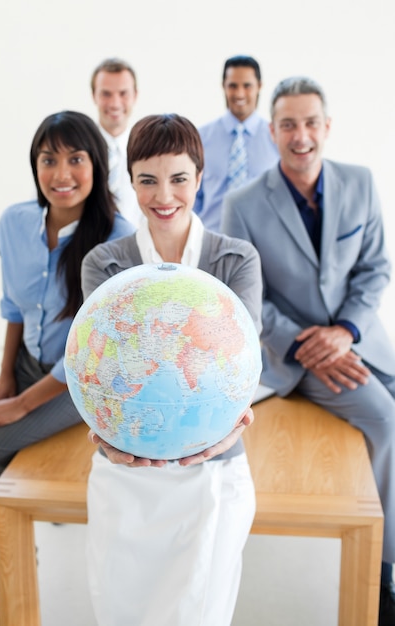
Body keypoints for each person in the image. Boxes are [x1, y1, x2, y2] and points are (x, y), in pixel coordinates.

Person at [221, 76, 395, 626]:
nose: (301, 136)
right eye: (289, 125)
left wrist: (345, 329)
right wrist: (310, 344)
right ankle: (385, 573)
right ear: (272, 131)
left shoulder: (361, 183)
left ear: (327, 126)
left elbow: (374, 269)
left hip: (361, 340)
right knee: (386, 422)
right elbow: (246, 298)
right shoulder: (243, 204)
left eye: (311, 123)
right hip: (293, 357)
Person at [81, 113, 262, 626]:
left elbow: (246, 364)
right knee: (119, 609)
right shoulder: (105, 264)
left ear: (200, 178)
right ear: (130, 181)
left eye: (179, 178)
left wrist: (228, 427)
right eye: (147, 180)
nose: (165, 195)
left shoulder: (235, 259)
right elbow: (92, 366)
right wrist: (103, 431)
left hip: (212, 466)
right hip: (124, 472)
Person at [0, 111, 135, 626]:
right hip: (28, 367)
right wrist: (5, 376)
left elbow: (88, 351)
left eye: (75, 159)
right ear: (34, 165)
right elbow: (14, 307)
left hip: (78, 381)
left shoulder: (116, 239)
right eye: (48, 159)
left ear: (97, 166)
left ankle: (2, 593)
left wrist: (20, 405)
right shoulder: (14, 222)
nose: (62, 173)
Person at [193, 55, 278, 232]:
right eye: (233, 86)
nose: (239, 93)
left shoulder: (276, 137)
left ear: (259, 86)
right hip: (211, 240)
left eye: (247, 86)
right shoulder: (200, 137)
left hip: (262, 241)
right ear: (223, 86)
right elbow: (191, 194)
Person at [91, 57, 142, 227]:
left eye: (123, 93)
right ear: (94, 96)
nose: (114, 103)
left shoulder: (147, 151)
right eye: (106, 94)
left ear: (135, 95)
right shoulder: (75, 150)